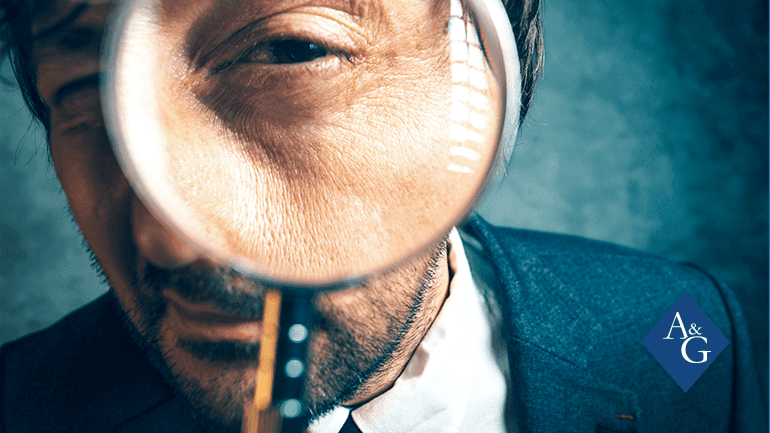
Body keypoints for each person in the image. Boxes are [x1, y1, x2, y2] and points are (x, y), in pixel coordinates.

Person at [0, 0, 765, 432]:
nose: (163, 236)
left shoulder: (679, 328)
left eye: (290, 52)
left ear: (484, 80)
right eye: (82, 94)